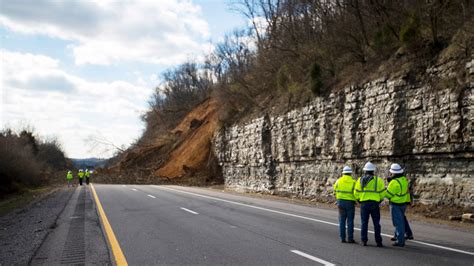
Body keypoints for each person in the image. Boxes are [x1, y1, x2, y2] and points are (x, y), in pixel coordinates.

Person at [354, 162, 385, 247]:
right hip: (375, 203)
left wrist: (359, 200)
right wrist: (379, 200)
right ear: (373, 171)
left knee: (364, 223)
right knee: (376, 223)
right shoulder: (378, 180)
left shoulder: (360, 180)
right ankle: (379, 242)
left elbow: (356, 192)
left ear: (365, 171)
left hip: (364, 203)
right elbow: (383, 193)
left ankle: (364, 240)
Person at [385, 163, 410, 247]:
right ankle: (397, 235)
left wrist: (387, 187)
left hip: (395, 204)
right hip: (403, 203)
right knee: (401, 220)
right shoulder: (404, 180)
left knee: (398, 223)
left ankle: (400, 241)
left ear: (393, 173)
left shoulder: (394, 183)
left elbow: (388, 195)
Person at [333, 166, 357, 243]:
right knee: (350, 221)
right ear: (350, 173)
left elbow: (334, 191)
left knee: (342, 221)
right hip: (350, 203)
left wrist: (337, 198)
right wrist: (356, 200)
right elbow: (356, 193)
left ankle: (342, 238)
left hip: (340, 202)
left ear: (343, 173)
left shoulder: (338, 181)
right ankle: (350, 238)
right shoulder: (354, 182)